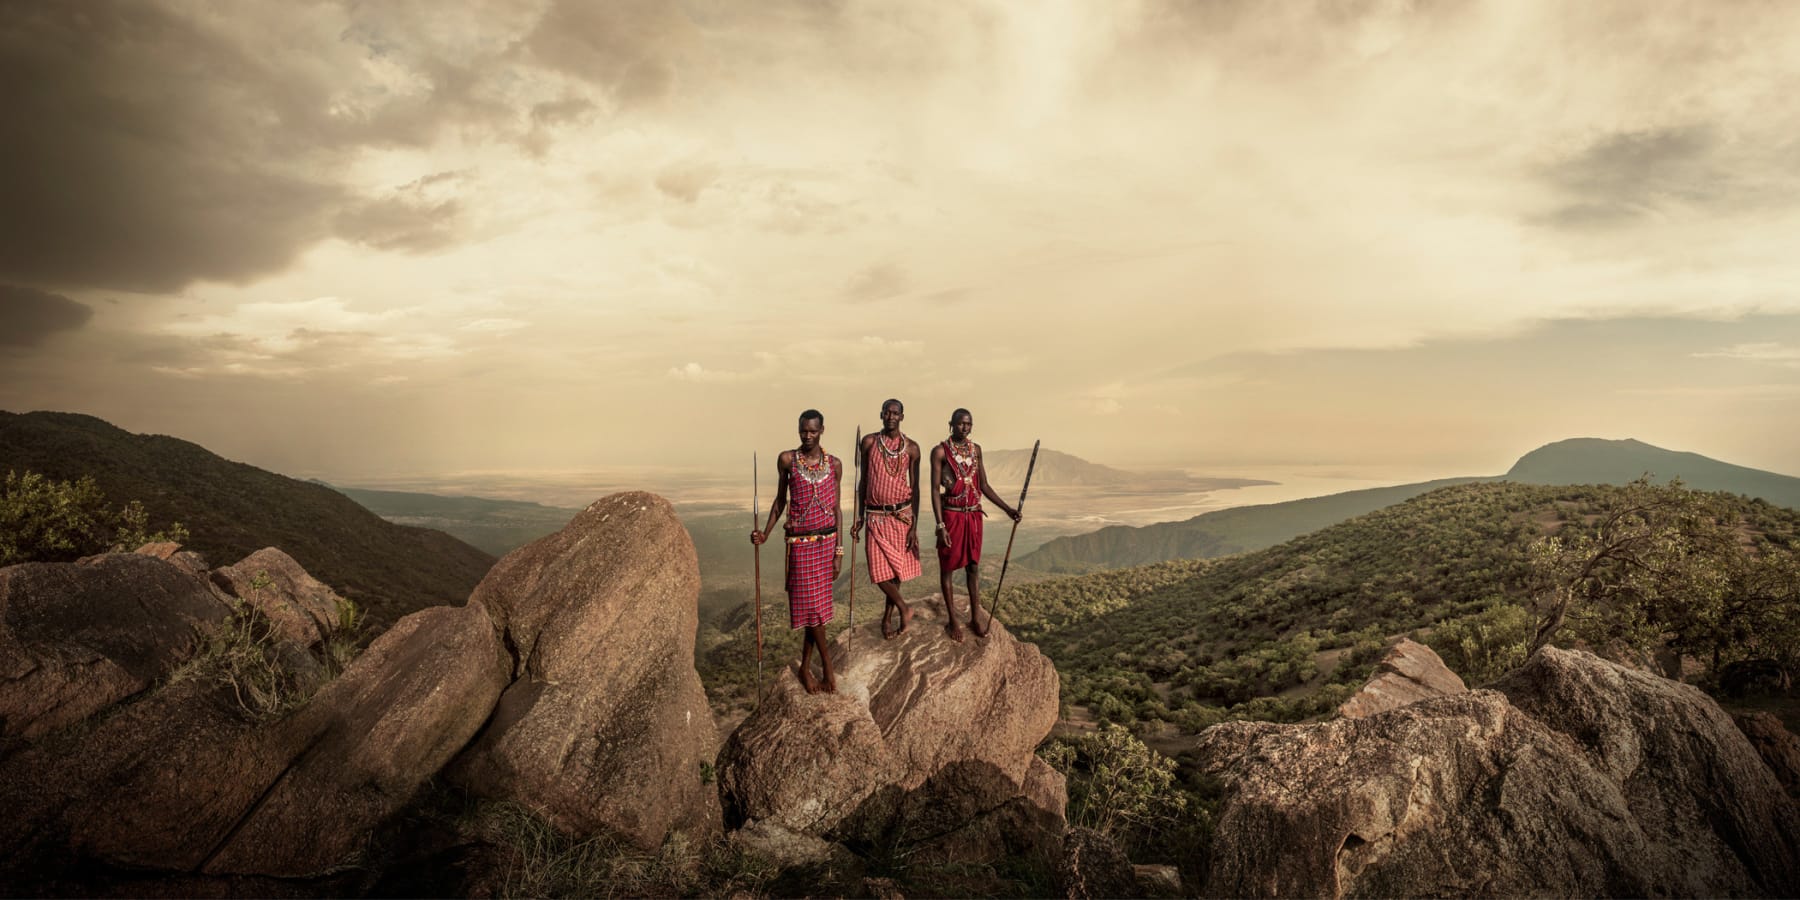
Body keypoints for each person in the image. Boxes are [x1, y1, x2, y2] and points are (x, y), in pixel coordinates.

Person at [750, 409, 843, 693]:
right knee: (813, 610)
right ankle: (828, 669)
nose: (807, 435)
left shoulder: (835, 464)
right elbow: (780, 501)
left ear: (822, 430)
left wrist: (839, 551)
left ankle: (805, 666)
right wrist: (765, 533)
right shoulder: (788, 460)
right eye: (803, 430)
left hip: (826, 543)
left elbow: (837, 509)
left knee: (816, 613)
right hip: (800, 545)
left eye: (813, 431)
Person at [930, 408, 1020, 642]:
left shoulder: (976, 450)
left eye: (968, 424)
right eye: (960, 424)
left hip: (973, 517)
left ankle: (975, 618)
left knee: (973, 566)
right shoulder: (940, 451)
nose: (965, 428)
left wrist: (1008, 509)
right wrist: (940, 526)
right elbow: (934, 490)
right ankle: (952, 619)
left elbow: (984, 486)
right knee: (948, 567)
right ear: (951, 424)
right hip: (952, 516)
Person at [850, 398, 922, 640]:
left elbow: (917, 488)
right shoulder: (869, 442)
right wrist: (859, 515)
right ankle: (904, 608)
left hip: (902, 515)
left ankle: (887, 618)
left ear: (902, 416)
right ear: (881, 415)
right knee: (878, 572)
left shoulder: (912, 448)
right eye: (887, 412)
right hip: (875, 516)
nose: (891, 416)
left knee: (895, 573)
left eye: (895, 413)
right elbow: (864, 481)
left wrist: (914, 525)